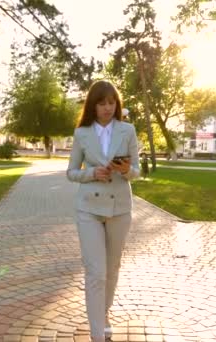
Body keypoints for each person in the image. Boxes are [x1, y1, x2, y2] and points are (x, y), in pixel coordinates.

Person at [66, 80, 140, 342]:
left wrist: (125, 170)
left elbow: (137, 172)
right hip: (88, 207)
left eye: (112, 102)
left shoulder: (128, 130)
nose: (107, 108)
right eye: (102, 103)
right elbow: (71, 172)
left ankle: (104, 313)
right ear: (93, 106)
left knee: (112, 268)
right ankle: (97, 334)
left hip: (119, 207)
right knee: (96, 270)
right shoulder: (81, 133)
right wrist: (91, 173)